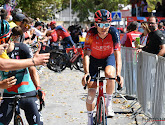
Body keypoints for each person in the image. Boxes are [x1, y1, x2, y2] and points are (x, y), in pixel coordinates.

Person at [81, 9, 123, 125]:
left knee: (110, 74)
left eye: (107, 24)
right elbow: (86, 54)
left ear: (110, 24)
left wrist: (118, 73)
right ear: (96, 24)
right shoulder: (91, 33)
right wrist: (86, 72)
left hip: (107, 58)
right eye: (100, 24)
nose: (104, 28)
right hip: (94, 60)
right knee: (91, 93)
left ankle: (108, 105)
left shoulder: (114, 32)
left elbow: (117, 54)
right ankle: (90, 119)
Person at [0, 26, 44, 125]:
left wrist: (38, 87)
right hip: (8, 95)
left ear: (9, 38)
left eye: (3, 40)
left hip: (27, 93)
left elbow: (32, 69)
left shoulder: (23, 48)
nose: (2, 45)